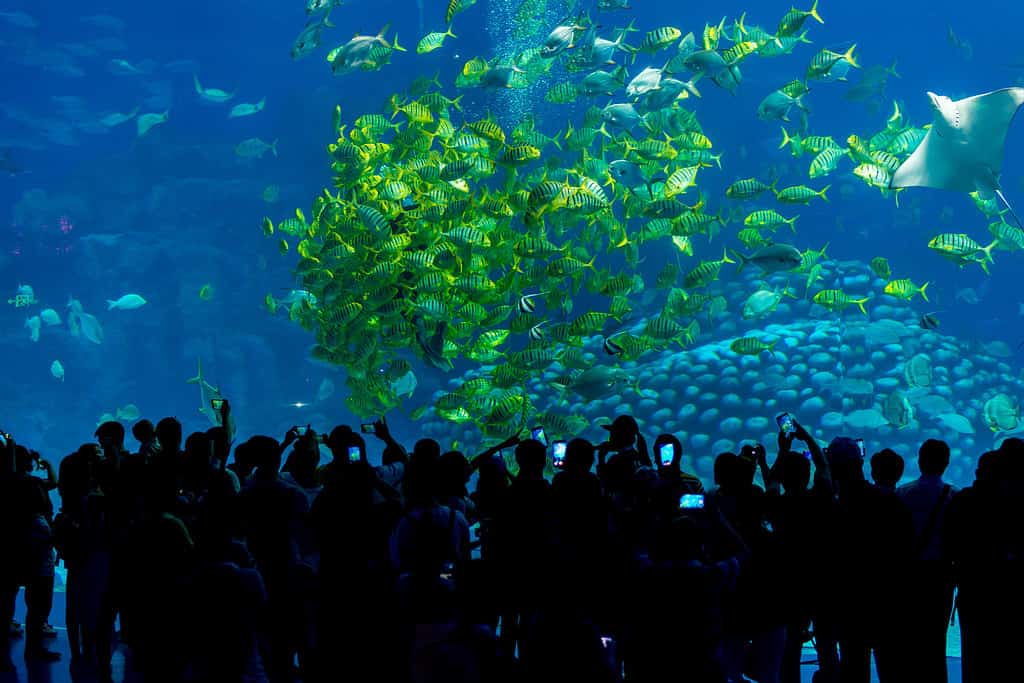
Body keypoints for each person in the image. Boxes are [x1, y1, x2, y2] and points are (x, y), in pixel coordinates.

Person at [897, 439, 956, 683]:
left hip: (908, 575)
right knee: (936, 640)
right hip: (940, 576)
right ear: (946, 463)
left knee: (908, 639)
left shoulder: (902, 494)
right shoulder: (954, 496)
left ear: (920, 461)